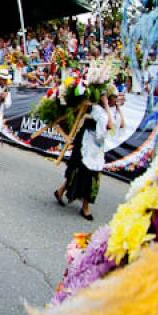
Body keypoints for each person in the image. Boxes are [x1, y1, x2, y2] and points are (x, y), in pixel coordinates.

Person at [53, 86, 118, 220]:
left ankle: (60, 191)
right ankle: (85, 207)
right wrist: (106, 106)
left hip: (88, 145)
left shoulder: (99, 110)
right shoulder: (100, 112)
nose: (114, 101)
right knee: (87, 175)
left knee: (79, 171)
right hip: (88, 146)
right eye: (113, 98)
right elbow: (102, 134)